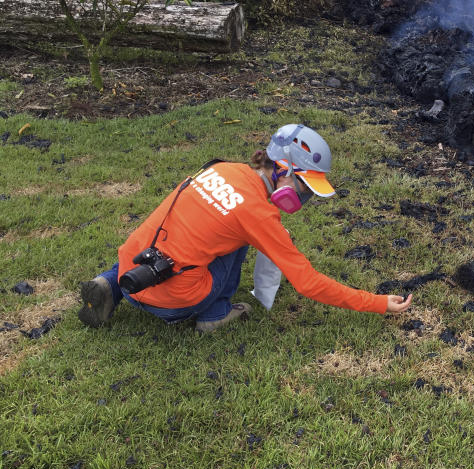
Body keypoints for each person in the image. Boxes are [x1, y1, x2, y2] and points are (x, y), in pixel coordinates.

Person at [78, 124, 412, 332]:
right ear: (283, 170)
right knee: (238, 241)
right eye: (305, 187)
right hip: (172, 305)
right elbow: (308, 283)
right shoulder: (259, 216)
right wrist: (378, 302)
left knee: (175, 229)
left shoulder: (220, 168)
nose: (306, 196)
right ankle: (216, 315)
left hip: (130, 273)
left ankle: (107, 285)